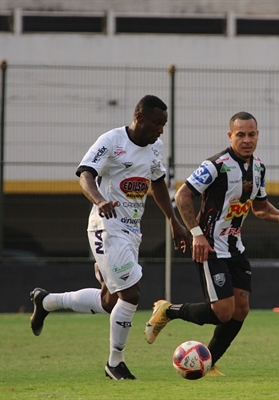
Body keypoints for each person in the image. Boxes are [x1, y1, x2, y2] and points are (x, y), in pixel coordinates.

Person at [29, 95, 190, 380]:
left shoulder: (155, 147)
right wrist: (100, 200)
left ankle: (46, 302)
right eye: (156, 123)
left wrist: (173, 220)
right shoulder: (112, 141)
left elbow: (156, 183)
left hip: (132, 230)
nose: (160, 130)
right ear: (139, 117)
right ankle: (115, 363)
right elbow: (85, 175)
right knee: (131, 294)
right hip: (106, 226)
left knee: (108, 302)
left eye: (164, 124)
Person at [144, 111, 279, 376]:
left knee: (240, 310)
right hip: (209, 246)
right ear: (230, 135)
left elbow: (260, 207)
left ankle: (208, 364)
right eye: (240, 134)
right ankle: (168, 310)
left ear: (258, 135)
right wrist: (196, 233)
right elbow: (183, 193)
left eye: (251, 134)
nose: (247, 139)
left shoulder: (258, 167)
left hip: (235, 248)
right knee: (223, 311)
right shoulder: (215, 165)